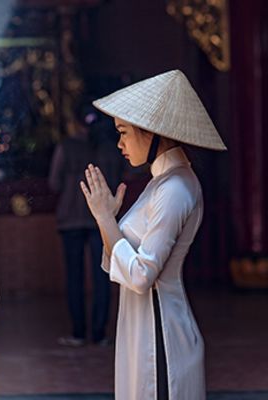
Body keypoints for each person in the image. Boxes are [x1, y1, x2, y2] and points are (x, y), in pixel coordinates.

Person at [80, 69, 227, 399]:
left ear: (151, 132)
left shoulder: (174, 188)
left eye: (124, 132)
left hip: (159, 334)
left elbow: (142, 275)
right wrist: (107, 221)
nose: (119, 143)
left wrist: (105, 219)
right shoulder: (162, 182)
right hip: (144, 322)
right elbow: (122, 263)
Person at [48, 120, 116, 347]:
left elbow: (54, 182)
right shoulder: (109, 146)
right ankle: (99, 334)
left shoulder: (66, 146)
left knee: (74, 277)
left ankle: (78, 333)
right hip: (101, 218)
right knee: (103, 276)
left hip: (71, 218)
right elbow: (119, 177)